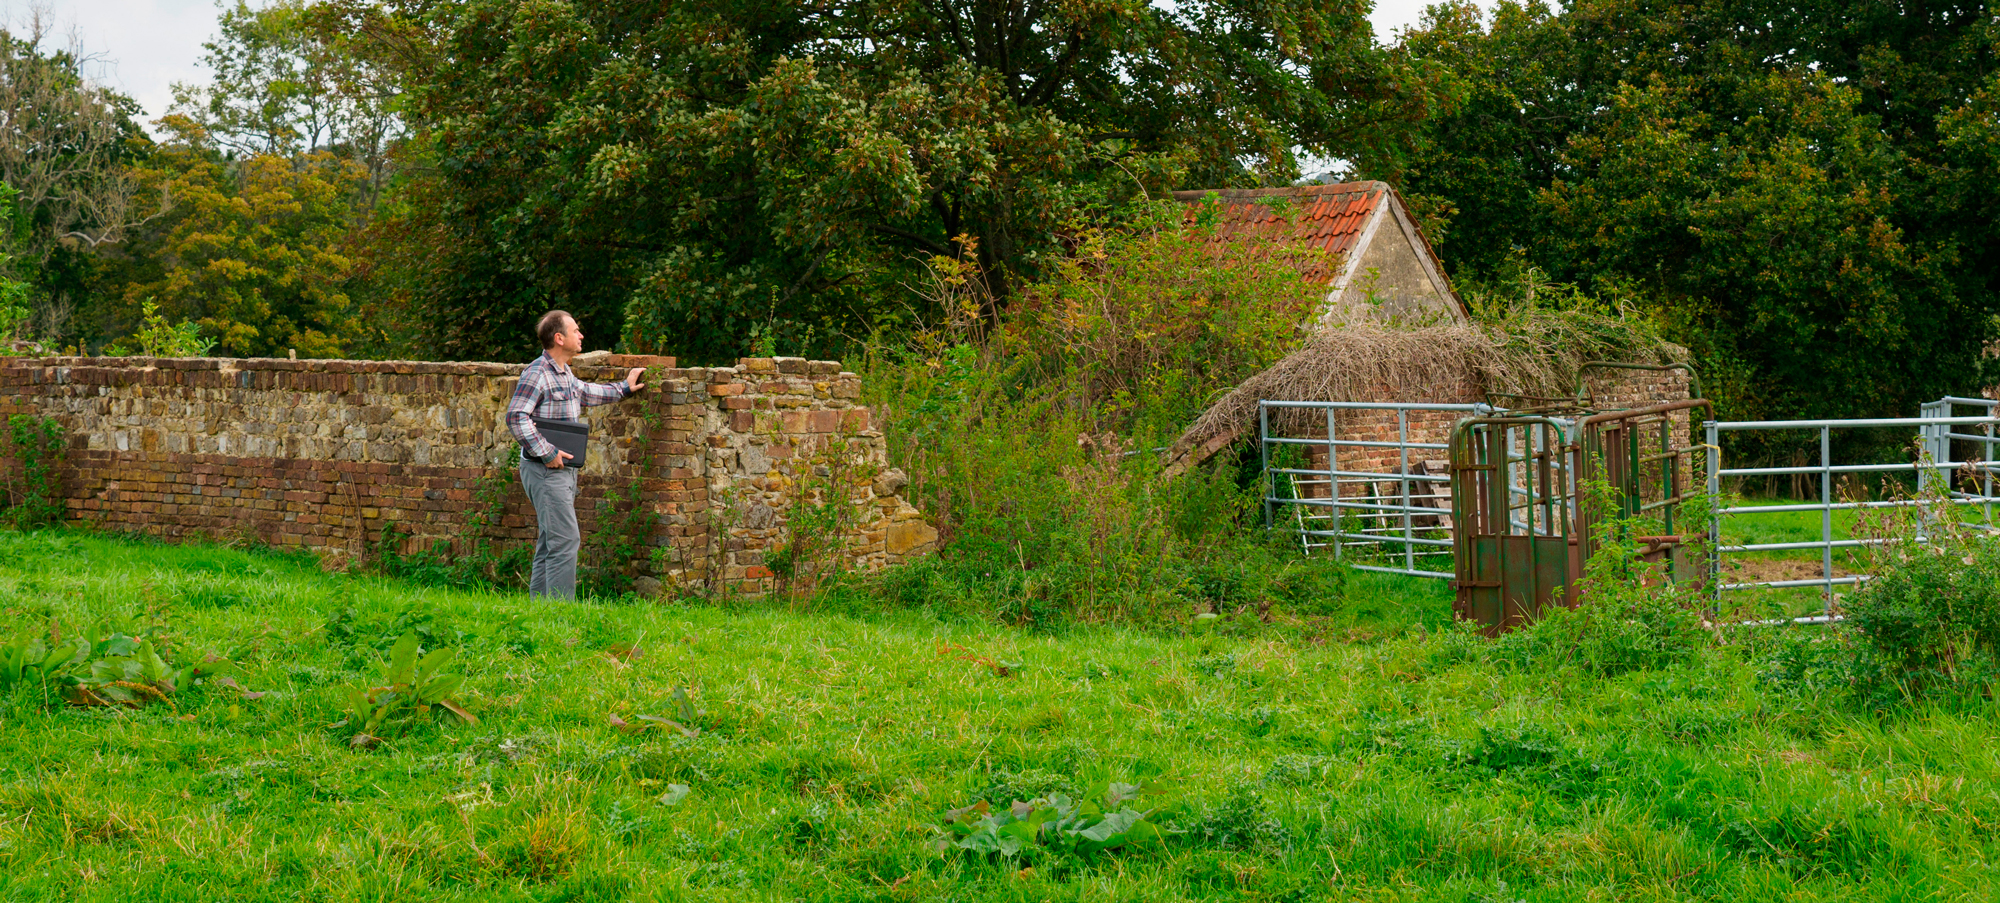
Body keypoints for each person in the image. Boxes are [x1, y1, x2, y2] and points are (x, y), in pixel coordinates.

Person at [506, 310, 646, 600]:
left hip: (561, 471)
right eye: (575, 330)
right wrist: (547, 453)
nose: (581, 335)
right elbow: (516, 417)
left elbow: (587, 393)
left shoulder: (564, 372)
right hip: (546, 471)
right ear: (559, 338)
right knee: (566, 539)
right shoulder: (537, 373)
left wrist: (624, 388)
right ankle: (560, 613)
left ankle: (541, 612)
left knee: (551, 541)